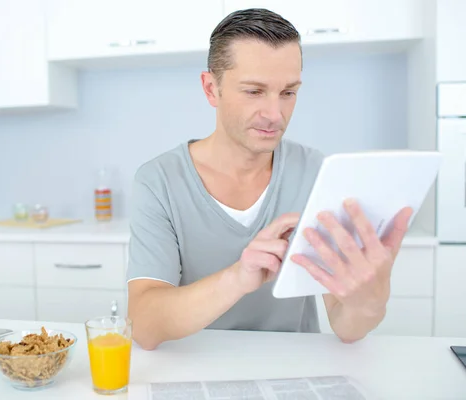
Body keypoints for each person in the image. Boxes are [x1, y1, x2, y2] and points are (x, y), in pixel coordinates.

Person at [125, 8, 413, 351]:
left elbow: (346, 326)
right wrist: (237, 277)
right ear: (210, 89)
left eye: (288, 92)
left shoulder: (315, 172)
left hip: (294, 368)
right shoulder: (159, 181)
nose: (275, 115)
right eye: (254, 91)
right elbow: (143, 324)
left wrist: (371, 300)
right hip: (194, 363)